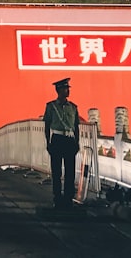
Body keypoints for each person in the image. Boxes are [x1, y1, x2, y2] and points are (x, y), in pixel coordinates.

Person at [42, 77, 80, 208]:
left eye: (67, 88)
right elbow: (47, 125)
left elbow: (76, 126)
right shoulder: (51, 106)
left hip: (70, 140)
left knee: (70, 171)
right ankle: (57, 197)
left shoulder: (73, 107)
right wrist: (48, 142)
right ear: (58, 91)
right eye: (65, 89)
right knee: (56, 171)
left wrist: (77, 142)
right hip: (57, 139)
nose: (67, 91)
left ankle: (68, 198)